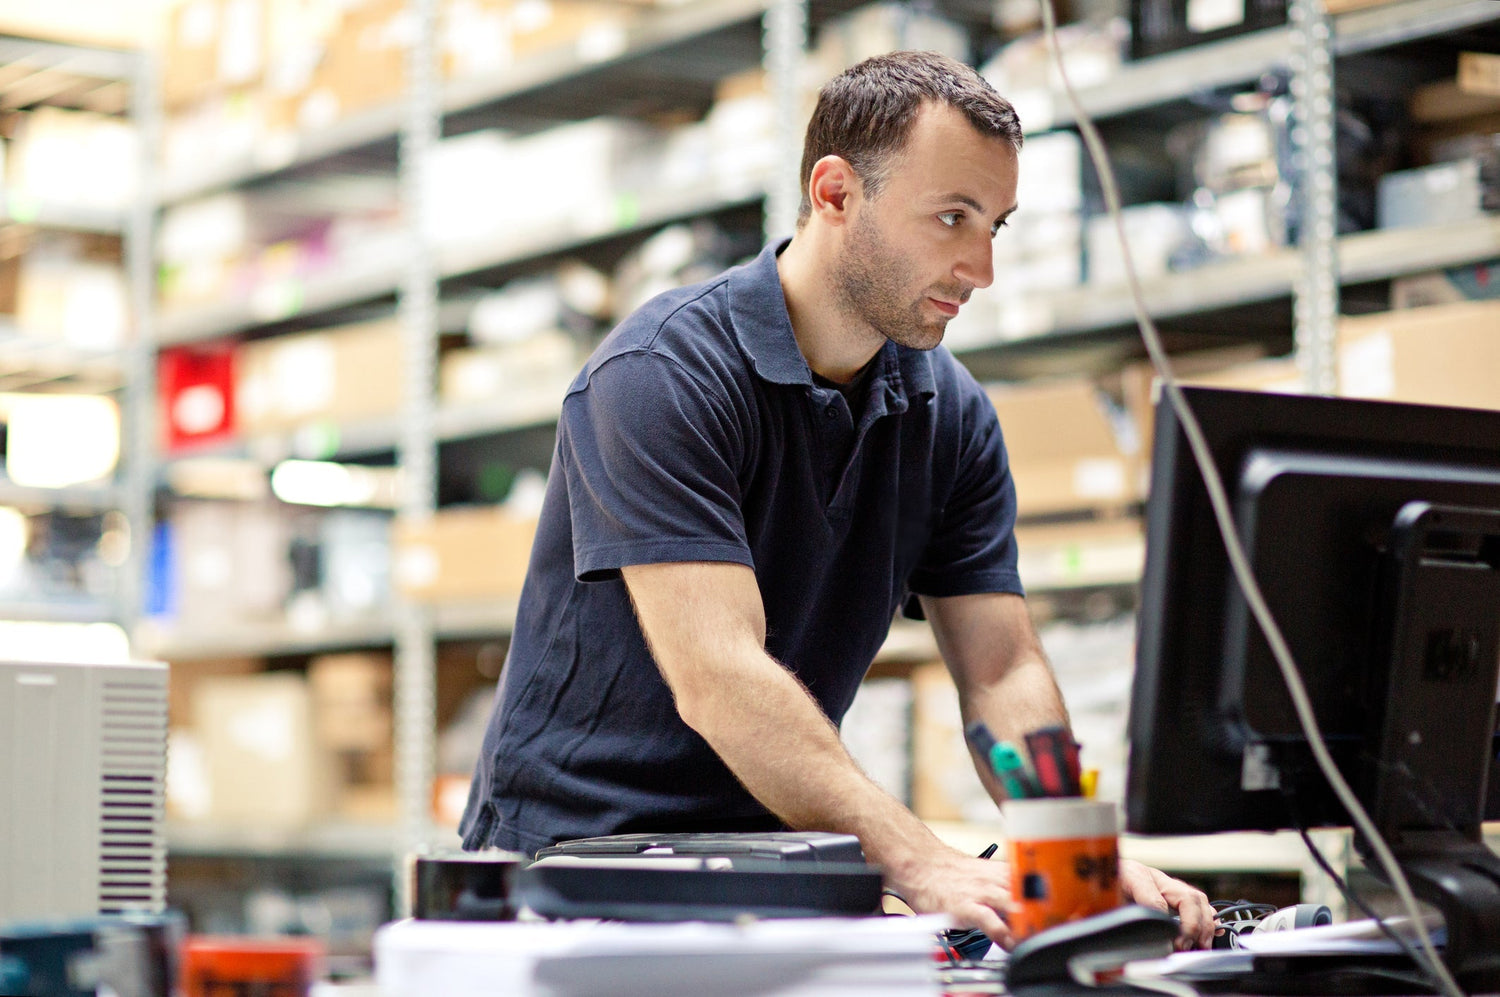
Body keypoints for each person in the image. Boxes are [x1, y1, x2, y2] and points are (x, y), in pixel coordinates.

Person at [461, 49, 1216, 949]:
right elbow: (719, 677)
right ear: (834, 192)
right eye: (951, 217)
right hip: (583, 867)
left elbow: (1002, 665)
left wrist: (1072, 854)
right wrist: (918, 857)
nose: (980, 266)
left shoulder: (951, 410)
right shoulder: (659, 374)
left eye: (996, 226)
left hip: (782, 855)